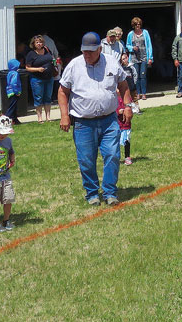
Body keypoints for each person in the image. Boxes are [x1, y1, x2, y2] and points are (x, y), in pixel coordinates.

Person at [58, 32, 134, 206]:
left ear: (100, 49)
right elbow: (62, 91)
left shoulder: (111, 62)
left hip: (109, 120)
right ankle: (92, 193)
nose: (87, 54)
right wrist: (64, 115)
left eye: (91, 51)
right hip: (83, 123)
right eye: (84, 51)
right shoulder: (74, 66)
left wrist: (128, 106)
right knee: (86, 159)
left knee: (112, 155)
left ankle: (109, 192)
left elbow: (123, 84)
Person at [102, 28, 137, 114]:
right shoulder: (101, 45)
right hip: (105, 70)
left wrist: (124, 60)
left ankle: (123, 107)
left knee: (121, 89)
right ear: (107, 37)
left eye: (114, 37)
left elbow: (123, 54)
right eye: (111, 37)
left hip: (117, 69)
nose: (113, 39)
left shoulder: (119, 45)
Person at [24, 35, 56, 123]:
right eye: (37, 42)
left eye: (41, 42)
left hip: (49, 78)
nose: (39, 44)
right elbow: (27, 67)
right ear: (33, 44)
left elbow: (52, 59)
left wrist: (55, 63)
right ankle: (39, 118)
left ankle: (48, 117)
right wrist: (38, 69)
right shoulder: (31, 54)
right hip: (37, 79)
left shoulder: (46, 50)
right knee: (38, 98)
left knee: (48, 97)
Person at [125, 17, 153, 103]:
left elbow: (149, 45)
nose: (138, 26)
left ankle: (144, 93)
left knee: (143, 76)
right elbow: (127, 45)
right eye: (136, 24)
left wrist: (150, 58)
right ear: (133, 25)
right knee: (135, 76)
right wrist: (132, 48)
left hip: (144, 57)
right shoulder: (130, 34)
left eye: (139, 24)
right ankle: (138, 93)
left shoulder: (145, 32)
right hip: (134, 58)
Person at [118, 91, 134, 166]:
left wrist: (128, 110)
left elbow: (132, 108)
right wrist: (118, 112)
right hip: (116, 124)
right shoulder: (112, 98)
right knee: (114, 142)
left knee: (126, 140)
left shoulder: (127, 98)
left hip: (126, 124)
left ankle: (127, 157)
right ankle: (115, 158)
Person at [4, 59, 22, 124]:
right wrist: (17, 92)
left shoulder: (9, 73)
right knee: (12, 107)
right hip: (14, 92)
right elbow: (14, 83)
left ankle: (14, 119)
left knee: (13, 106)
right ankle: (6, 119)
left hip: (9, 91)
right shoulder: (15, 73)